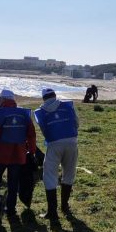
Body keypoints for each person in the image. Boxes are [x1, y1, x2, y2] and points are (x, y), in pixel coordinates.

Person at [0, 89, 37, 217]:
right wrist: (32, 151)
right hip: (18, 154)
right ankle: (11, 208)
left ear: (4, 100)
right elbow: (31, 135)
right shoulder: (24, 114)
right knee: (13, 182)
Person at [33, 88, 79, 222]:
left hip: (54, 144)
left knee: (49, 175)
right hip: (71, 142)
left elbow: (43, 129)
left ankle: (52, 211)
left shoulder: (40, 112)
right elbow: (76, 123)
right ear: (54, 95)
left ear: (43, 98)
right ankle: (65, 206)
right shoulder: (68, 105)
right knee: (69, 173)